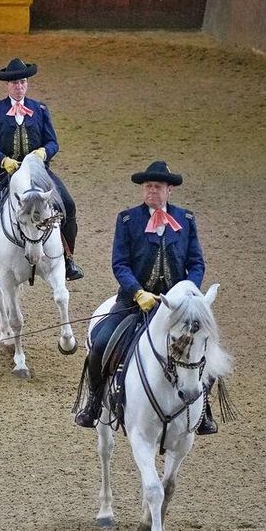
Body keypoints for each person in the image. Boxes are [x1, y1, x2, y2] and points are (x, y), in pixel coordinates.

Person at [74, 161, 213, 433]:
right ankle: (92, 403)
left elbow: (196, 263)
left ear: (169, 190)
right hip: (133, 303)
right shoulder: (127, 220)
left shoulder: (185, 221)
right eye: (147, 186)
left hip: (176, 309)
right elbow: (120, 264)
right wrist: (138, 292)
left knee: (205, 350)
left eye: (157, 187)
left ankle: (205, 410)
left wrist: (186, 293)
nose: (151, 191)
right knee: (101, 344)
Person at [0, 58, 85, 285]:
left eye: (22, 82)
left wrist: (43, 153)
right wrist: (3, 160)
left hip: (38, 173)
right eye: (14, 83)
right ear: (7, 86)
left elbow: (53, 142)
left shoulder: (40, 109)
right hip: (3, 173)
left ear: (27, 84)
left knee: (67, 204)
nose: (18, 86)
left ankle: (68, 260)